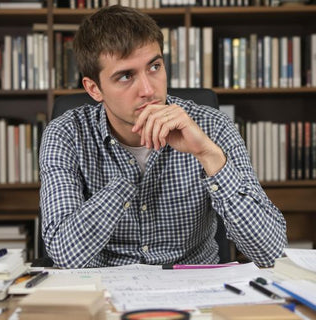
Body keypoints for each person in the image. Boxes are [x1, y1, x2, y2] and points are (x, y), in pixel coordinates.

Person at [39, 5, 287, 269]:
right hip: (106, 293)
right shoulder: (65, 134)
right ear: (94, 88)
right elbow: (65, 254)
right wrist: (128, 177)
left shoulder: (213, 126)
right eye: (125, 76)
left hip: (195, 291)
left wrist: (208, 155)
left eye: (154, 66)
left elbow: (270, 252)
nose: (148, 90)